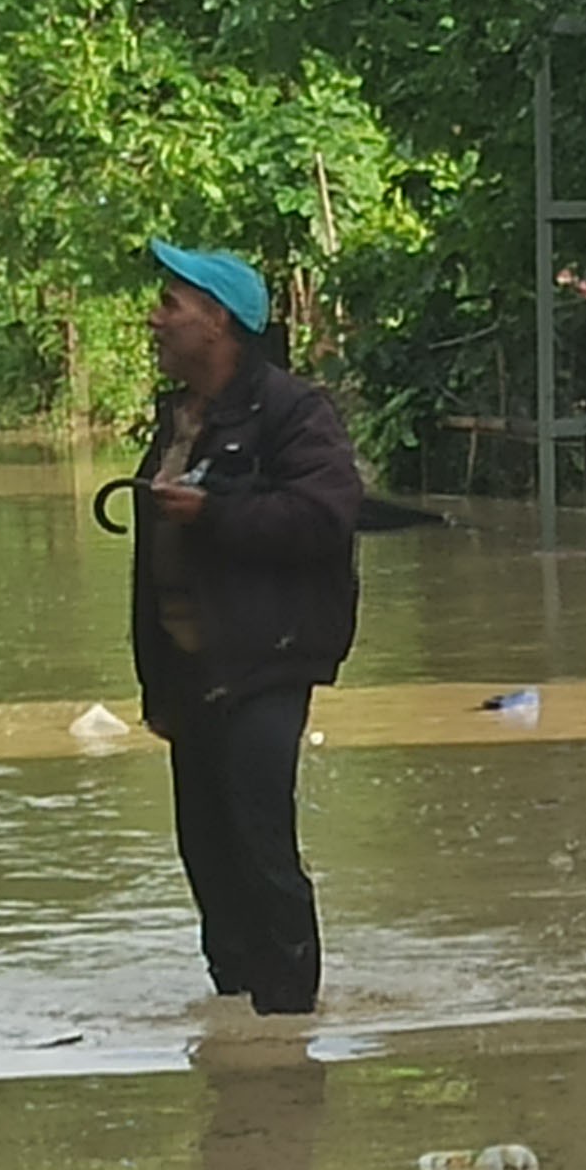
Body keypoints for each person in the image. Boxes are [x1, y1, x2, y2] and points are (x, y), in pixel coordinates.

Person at [130, 239, 362, 1016]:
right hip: (192, 671)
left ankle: (291, 1025)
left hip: (267, 661)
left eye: (171, 305)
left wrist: (218, 513)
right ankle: (239, 1019)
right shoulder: (176, 418)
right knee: (208, 855)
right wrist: (155, 685)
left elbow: (328, 516)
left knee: (262, 848)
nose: (155, 320)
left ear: (218, 320)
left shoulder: (295, 412)